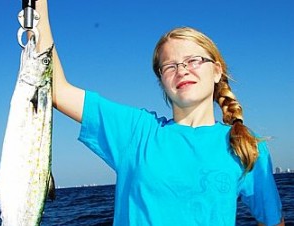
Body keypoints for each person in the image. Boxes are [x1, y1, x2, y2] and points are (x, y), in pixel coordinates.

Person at [36, 1, 284, 225]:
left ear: (217, 71)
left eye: (194, 60)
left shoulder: (245, 144)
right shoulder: (137, 130)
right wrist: (39, 8)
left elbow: (272, 221)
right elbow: (57, 90)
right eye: (170, 66)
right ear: (162, 81)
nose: (182, 70)